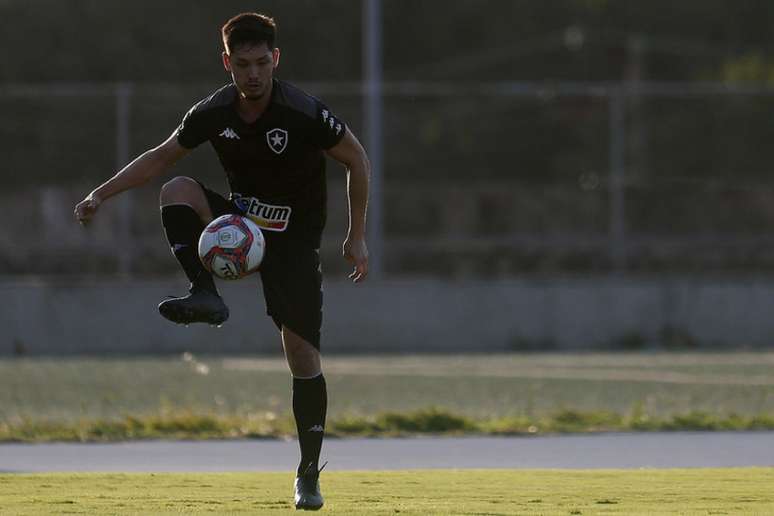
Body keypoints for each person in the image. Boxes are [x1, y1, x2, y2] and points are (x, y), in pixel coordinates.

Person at [74, 12, 370, 511]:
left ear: (275, 59)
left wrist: (355, 235)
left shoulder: (302, 112)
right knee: (178, 190)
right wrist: (100, 195)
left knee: (301, 358)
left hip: (293, 245)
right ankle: (206, 293)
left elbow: (356, 158)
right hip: (239, 228)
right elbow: (160, 157)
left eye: (261, 63)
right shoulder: (214, 111)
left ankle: (307, 473)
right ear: (227, 63)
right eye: (242, 64)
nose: (253, 74)